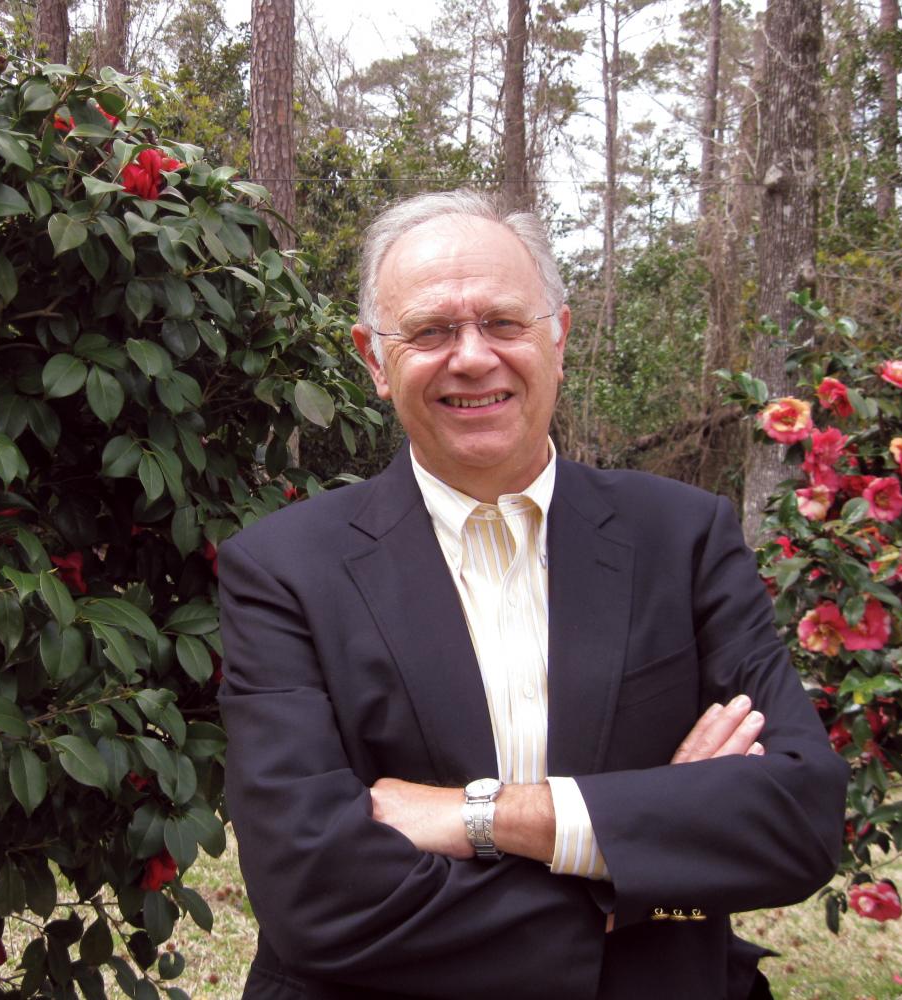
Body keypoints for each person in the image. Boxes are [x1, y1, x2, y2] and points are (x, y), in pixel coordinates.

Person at [217, 190, 848, 1000]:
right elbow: (312, 891)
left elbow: (797, 820)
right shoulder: (281, 570)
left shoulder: (684, 538)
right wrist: (640, 866)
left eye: (504, 323)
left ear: (560, 337)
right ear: (374, 360)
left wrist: (486, 817)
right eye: (432, 330)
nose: (473, 357)